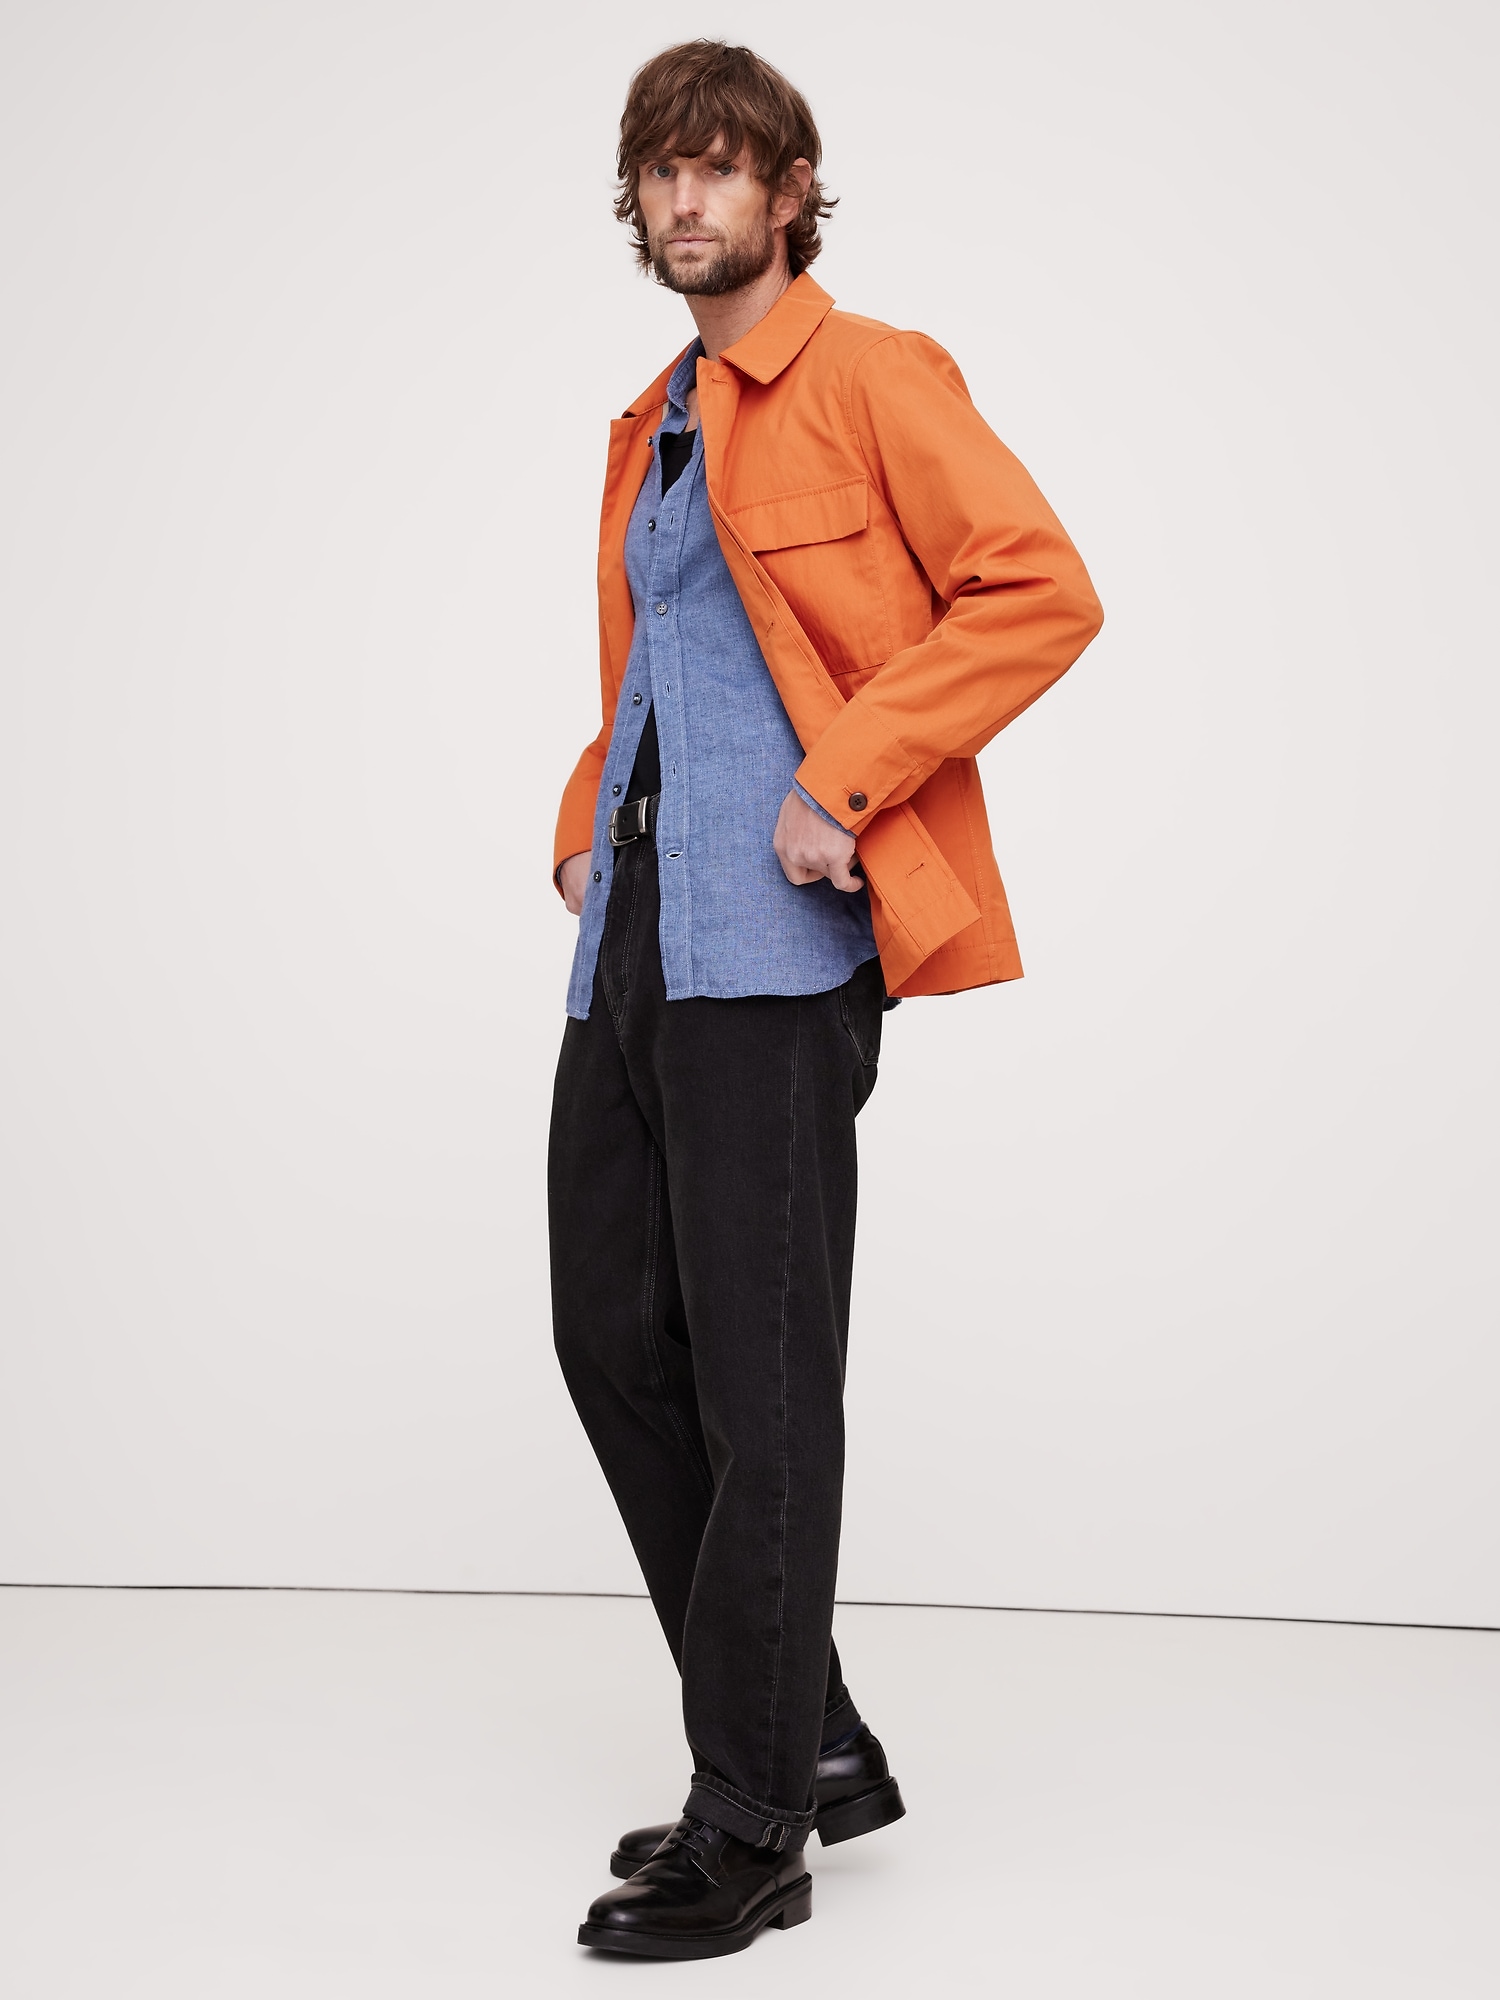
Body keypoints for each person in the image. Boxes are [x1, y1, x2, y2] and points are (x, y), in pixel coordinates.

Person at [548, 39, 1103, 1961]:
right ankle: (820, 1738)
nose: (688, 200)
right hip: (636, 934)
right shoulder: (653, 417)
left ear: (791, 194)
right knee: (611, 1337)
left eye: (724, 168)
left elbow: (1036, 588)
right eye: (662, 171)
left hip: (778, 955)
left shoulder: (872, 376)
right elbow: (655, 667)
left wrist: (843, 781)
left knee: (761, 1379)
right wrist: (582, 824)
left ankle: (755, 1820)